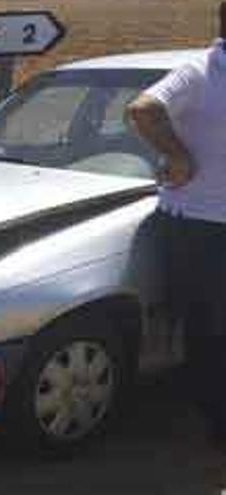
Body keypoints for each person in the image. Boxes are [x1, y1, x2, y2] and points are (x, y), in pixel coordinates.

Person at [127, 7, 226, 447]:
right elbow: (144, 109)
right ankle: (214, 423)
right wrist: (179, 156)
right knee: (210, 329)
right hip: (201, 226)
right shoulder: (199, 72)